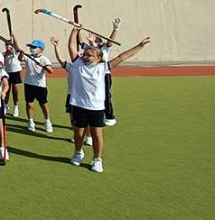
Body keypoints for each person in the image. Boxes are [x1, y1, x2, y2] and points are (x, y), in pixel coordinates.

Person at [61, 26, 150, 173]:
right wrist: (74, 31)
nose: (84, 56)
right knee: (78, 134)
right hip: (78, 105)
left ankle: (97, 160)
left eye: (88, 55)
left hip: (96, 107)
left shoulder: (103, 68)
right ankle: (78, 153)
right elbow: (71, 45)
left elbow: (122, 57)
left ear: (98, 58)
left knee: (97, 135)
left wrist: (139, 46)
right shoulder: (78, 64)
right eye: (84, 54)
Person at [19, 39, 54, 133]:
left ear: (40, 49)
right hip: (29, 84)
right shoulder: (28, 57)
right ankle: (30, 122)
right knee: (29, 104)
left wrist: (43, 66)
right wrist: (21, 53)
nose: (32, 49)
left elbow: (51, 71)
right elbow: (20, 59)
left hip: (40, 86)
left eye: (34, 47)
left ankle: (47, 121)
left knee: (43, 104)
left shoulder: (44, 59)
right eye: (31, 47)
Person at [2, 38, 24, 118]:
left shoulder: (16, 52)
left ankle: (16, 107)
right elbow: (2, 63)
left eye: (10, 45)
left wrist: (13, 35)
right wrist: (7, 54)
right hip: (7, 73)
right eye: (7, 45)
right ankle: (5, 105)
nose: (8, 47)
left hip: (16, 72)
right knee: (6, 90)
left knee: (15, 90)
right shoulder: (4, 54)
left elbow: (17, 45)